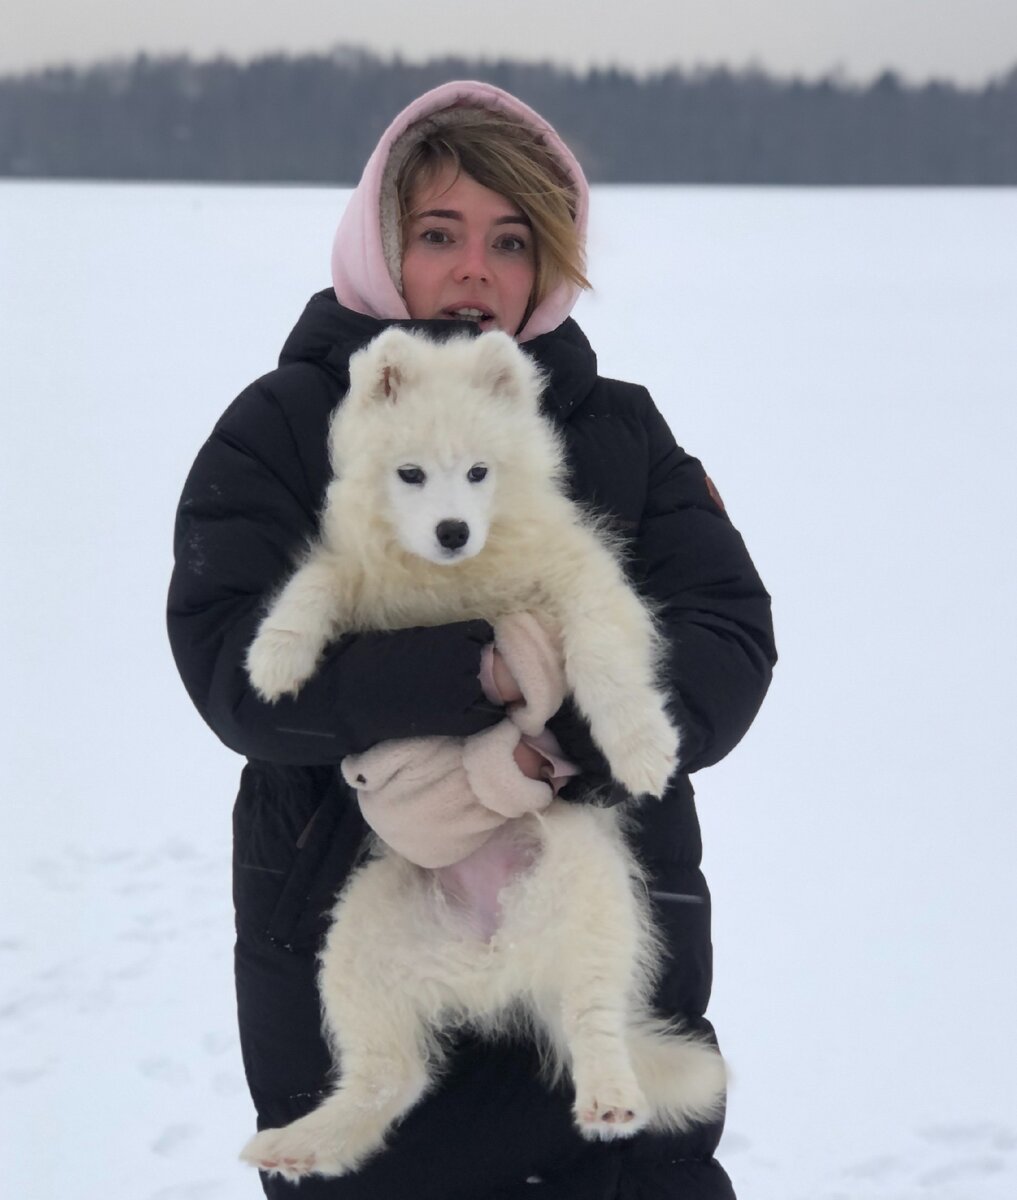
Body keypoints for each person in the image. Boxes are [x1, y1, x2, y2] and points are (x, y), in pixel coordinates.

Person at [167, 80, 776, 1200]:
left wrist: (562, 744)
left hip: (592, 928)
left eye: (512, 240)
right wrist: (472, 675)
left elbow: (727, 637)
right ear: (381, 240)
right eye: (439, 233)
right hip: (364, 922)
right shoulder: (289, 425)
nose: (474, 271)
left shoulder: (620, 428)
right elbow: (230, 664)